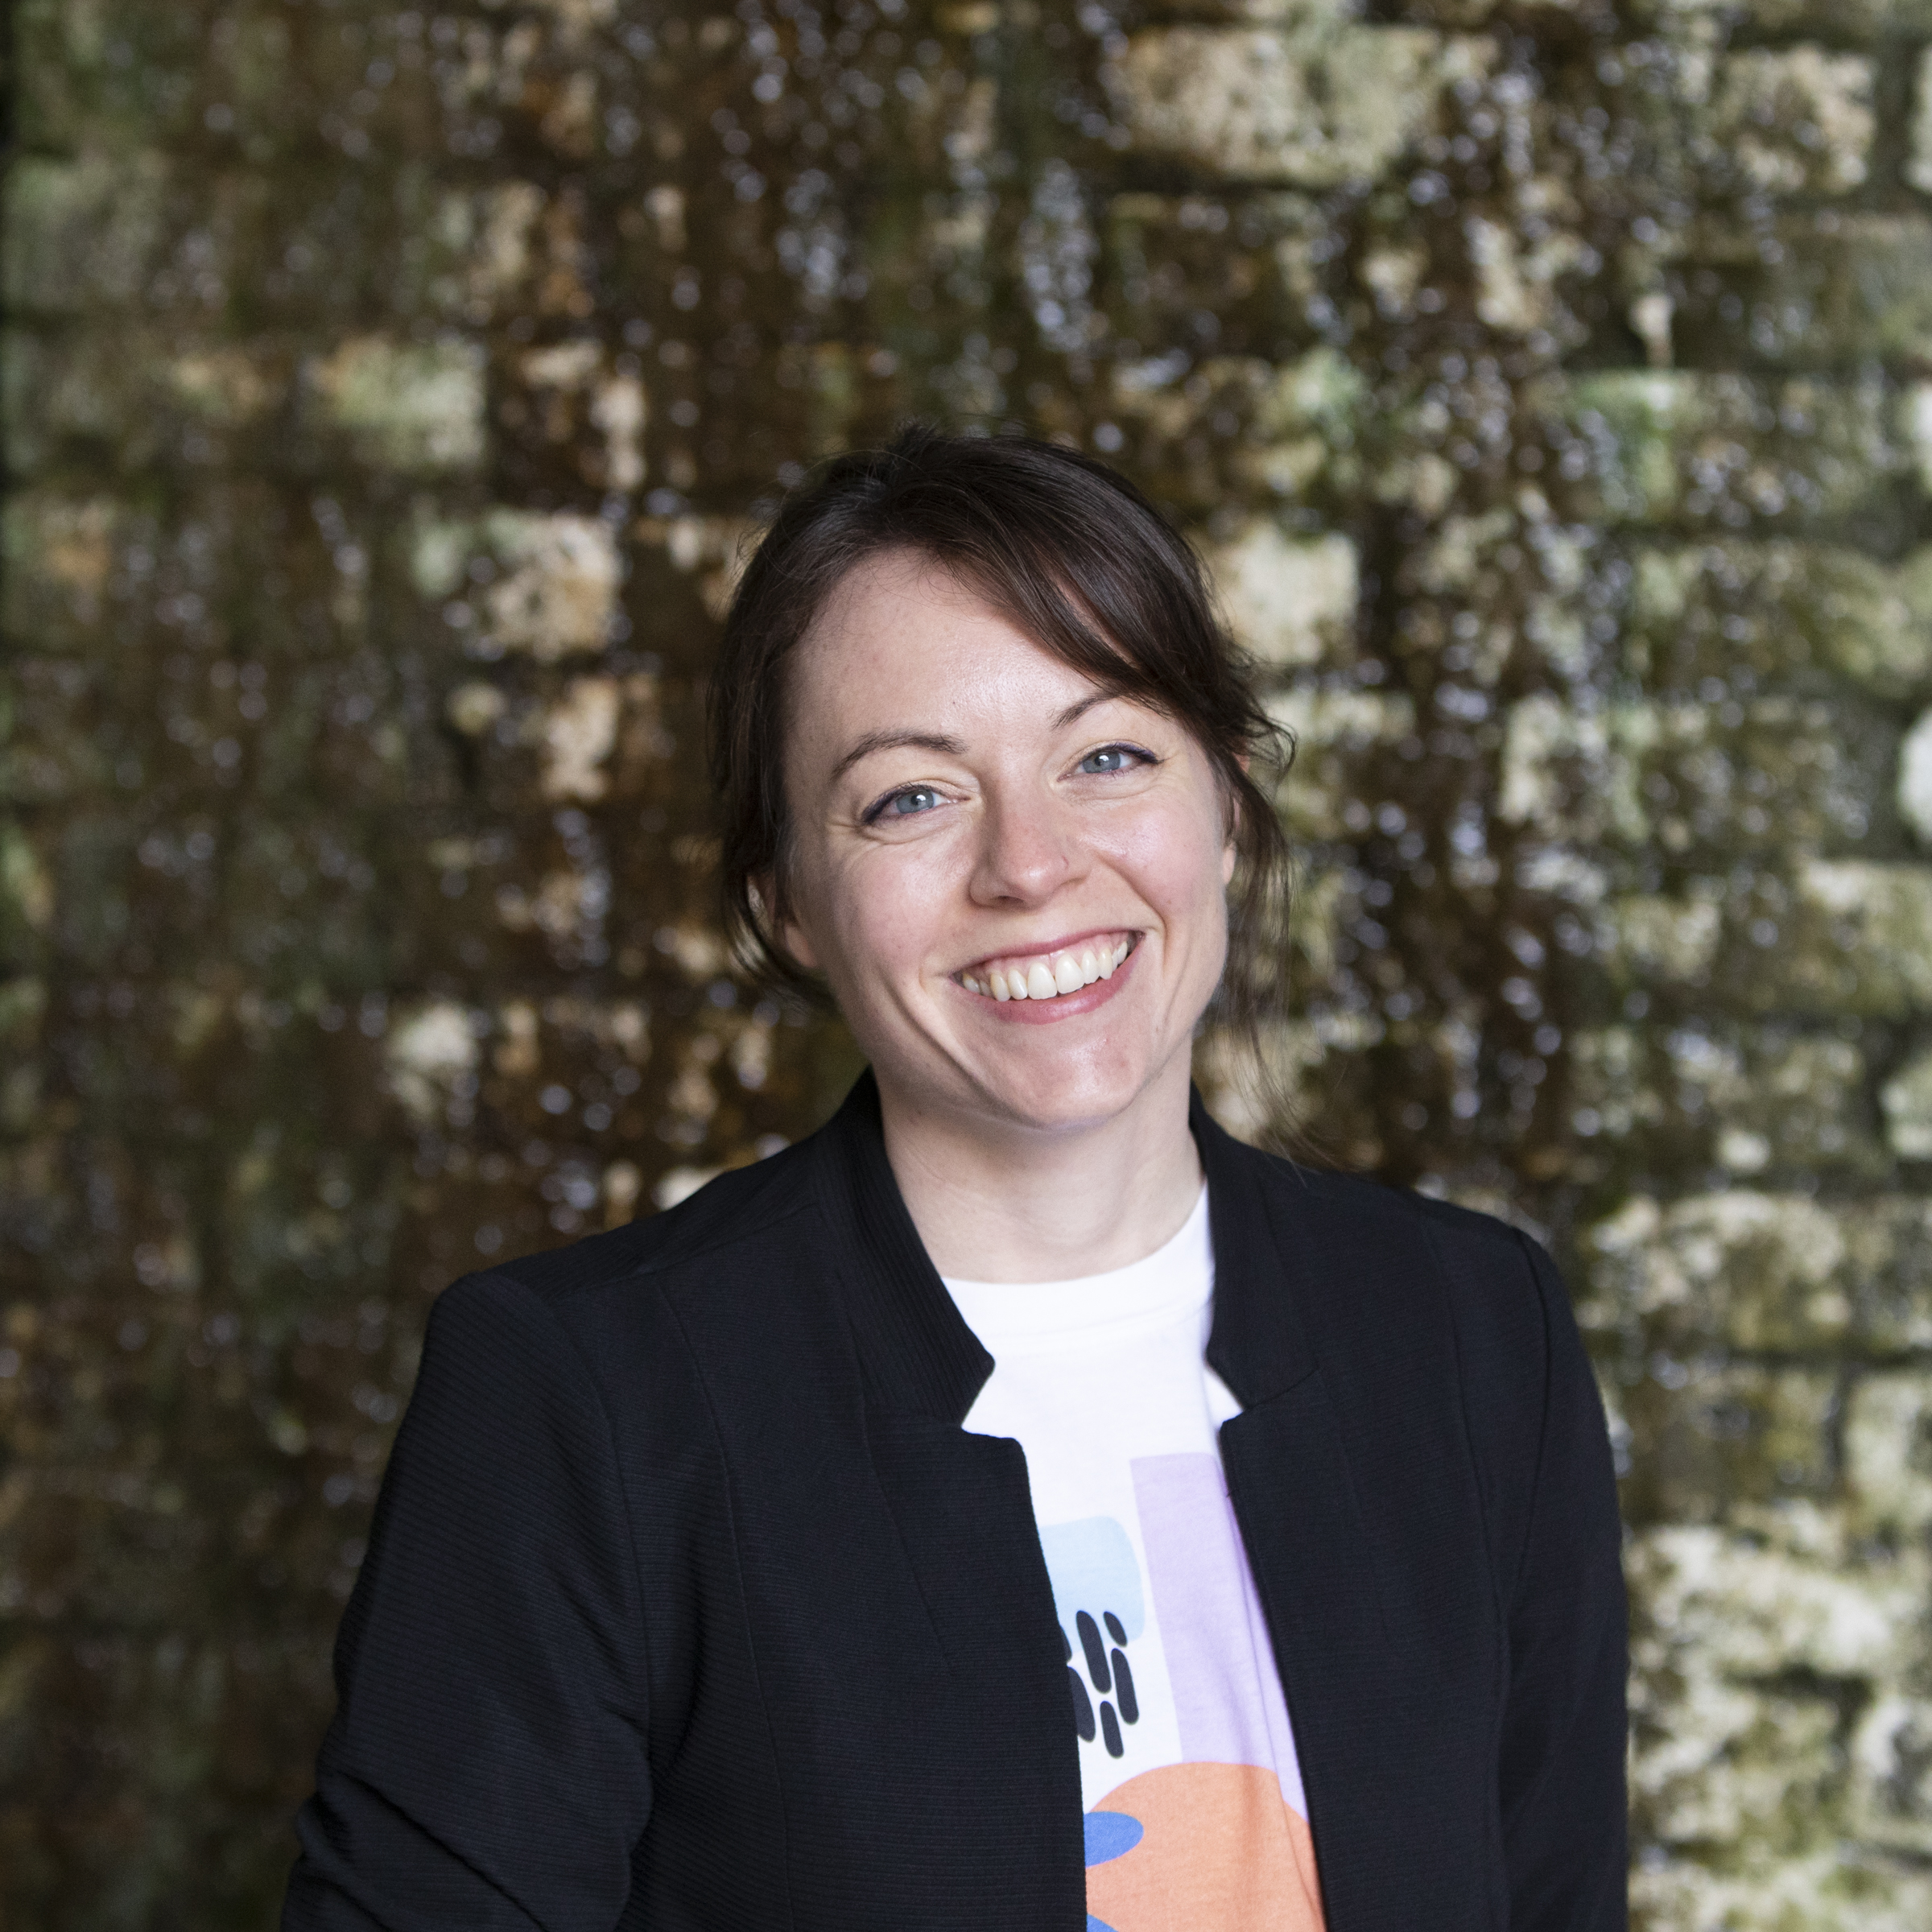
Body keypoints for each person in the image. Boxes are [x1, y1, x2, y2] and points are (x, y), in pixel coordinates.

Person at [283, 427, 1627, 1931]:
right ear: (787, 901)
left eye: (1107, 757)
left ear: (1229, 802)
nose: (1029, 865)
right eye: (911, 798)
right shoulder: (582, 1401)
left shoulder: (1472, 1331)